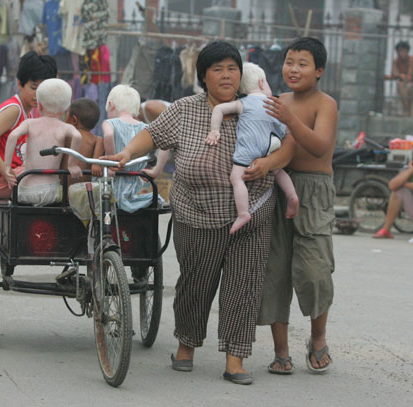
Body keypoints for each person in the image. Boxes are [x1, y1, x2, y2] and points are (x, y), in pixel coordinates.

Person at [102, 41, 295, 385]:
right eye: (218, 69)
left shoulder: (259, 105)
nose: (226, 75)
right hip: (195, 211)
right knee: (195, 282)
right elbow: (153, 134)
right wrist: (127, 151)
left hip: (251, 209)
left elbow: (290, 141)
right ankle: (186, 347)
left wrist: (268, 162)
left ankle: (235, 360)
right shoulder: (184, 109)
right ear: (203, 75)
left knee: (244, 285)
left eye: (232, 68)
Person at [251, 37, 338, 375]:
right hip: (278, 187)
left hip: (313, 191)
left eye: (302, 63)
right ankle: (281, 352)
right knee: (275, 270)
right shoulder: (277, 100)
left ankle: (317, 338)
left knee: (315, 271)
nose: (293, 69)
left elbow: (318, 146)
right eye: (289, 62)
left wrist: (289, 119)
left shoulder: (324, 103)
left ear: (319, 70)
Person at [207, 62, 299, 234]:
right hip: (273, 145)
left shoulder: (243, 102)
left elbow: (219, 109)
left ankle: (243, 213)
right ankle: (292, 196)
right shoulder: (274, 103)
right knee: (278, 171)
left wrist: (214, 131)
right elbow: (284, 127)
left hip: (249, 149)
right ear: (263, 83)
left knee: (236, 178)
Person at [0, 51, 58, 199]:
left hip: (10, 175)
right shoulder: (14, 110)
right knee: (52, 184)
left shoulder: (31, 114)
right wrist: (6, 173)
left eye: (43, 89)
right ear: (20, 83)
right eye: (33, 88)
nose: (37, 94)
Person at [3, 78, 82, 206]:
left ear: (39, 105)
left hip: (26, 190)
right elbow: (77, 136)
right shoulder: (65, 128)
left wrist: (7, 166)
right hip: (51, 191)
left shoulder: (30, 123)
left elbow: (13, 136)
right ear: (67, 108)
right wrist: (72, 164)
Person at [101, 84, 166, 213]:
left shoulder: (110, 123)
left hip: (115, 181)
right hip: (135, 183)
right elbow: (166, 145)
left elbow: (108, 135)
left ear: (111, 104)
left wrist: (112, 164)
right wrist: (156, 171)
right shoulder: (145, 128)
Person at [64, 97, 103, 184]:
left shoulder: (67, 136)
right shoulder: (95, 140)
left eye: (66, 115)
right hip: (84, 189)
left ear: (74, 120)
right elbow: (100, 142)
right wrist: (96, 164)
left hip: (63, 187)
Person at [384, 41, 413, 117]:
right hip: (407, 88)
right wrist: (389, 77)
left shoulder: (412, 61)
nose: (401, 54)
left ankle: (406, 109)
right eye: (399, 51)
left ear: (407, 51)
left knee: (401, 85)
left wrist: (399, 75)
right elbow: (394, 75)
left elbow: (409, 77)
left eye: (403, 51)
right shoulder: (396, 61)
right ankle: (411, 116)